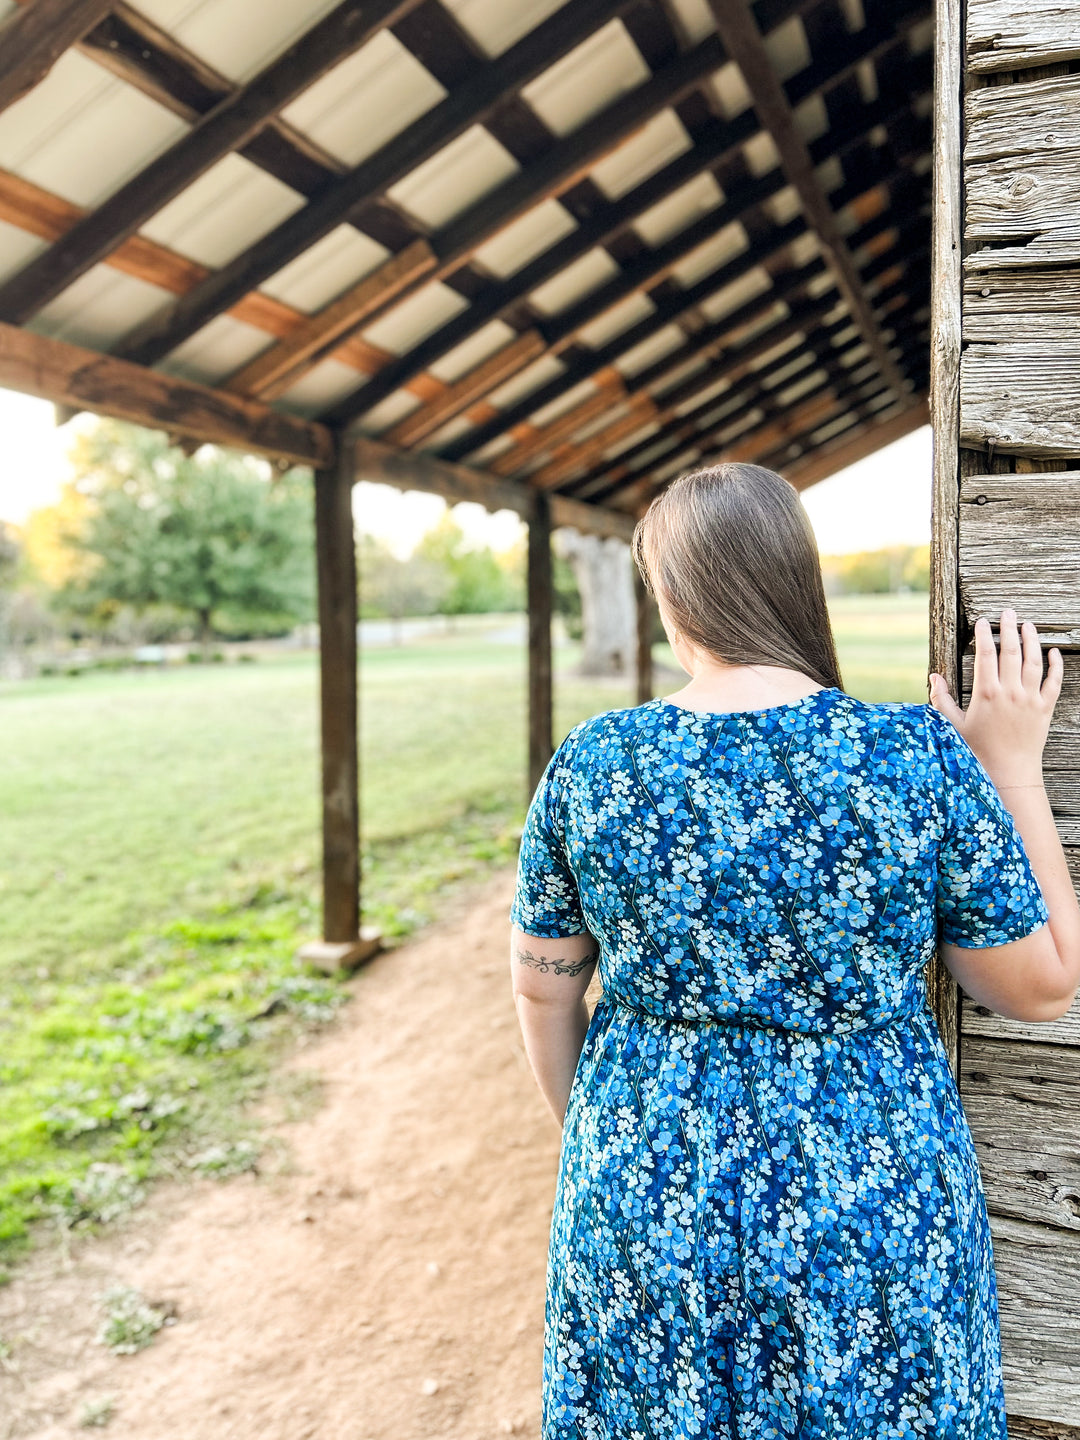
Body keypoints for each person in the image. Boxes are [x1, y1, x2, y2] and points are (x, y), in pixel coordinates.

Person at [508, 462, 1080, 1439]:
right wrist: (1010, 766)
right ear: (794, 587)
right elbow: (1041, 985)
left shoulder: (593, 764)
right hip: (868, 1206)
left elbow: (544, 992)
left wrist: (607, 1139)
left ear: (676, 599)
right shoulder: (910, 757)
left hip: (643, 1185)